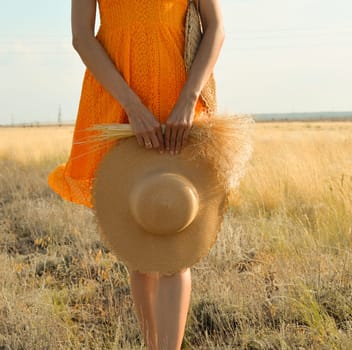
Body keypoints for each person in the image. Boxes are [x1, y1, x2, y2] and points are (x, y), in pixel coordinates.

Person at [48, 0, 224, 349]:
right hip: (118, 99)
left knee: (175, 233)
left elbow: (215, 27)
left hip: (180, 98)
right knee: (139, 243)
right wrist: (131, 105)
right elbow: (82, 37)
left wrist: (188, 100)